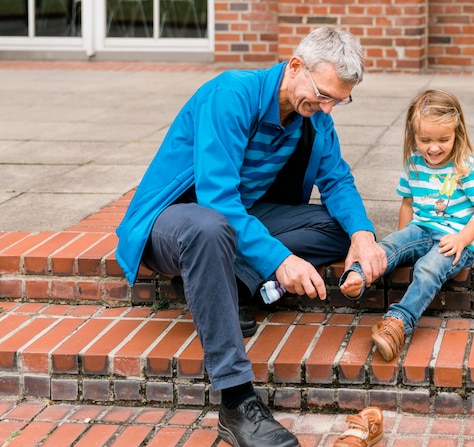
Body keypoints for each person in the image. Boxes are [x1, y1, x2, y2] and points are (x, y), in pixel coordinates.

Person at [115, 26, 386, 447]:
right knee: (210, 229)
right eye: (324, 94)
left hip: (237, 222)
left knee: (338, 228)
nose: (328, 109)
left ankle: (224, 279)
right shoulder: (232, 95)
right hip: (174, 223)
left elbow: (337, 180)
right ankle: (236, 403)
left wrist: (363, 236)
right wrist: (278, 259)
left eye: (338, 99)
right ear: (295, 67)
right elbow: (217, 200)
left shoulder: (311, 117)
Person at [339, 89, 474, 362]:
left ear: (457, 133)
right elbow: (408, 204)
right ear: (414, 136)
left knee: (427, 267)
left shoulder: (466, 164)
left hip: (456, 238)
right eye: (425, 140)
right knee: (390, 244)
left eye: (443, 140)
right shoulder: (414, 162)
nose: (433, 148)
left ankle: (397, 323)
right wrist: (403, 238)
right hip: (422, 229)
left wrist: (463, 239)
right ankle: (359, 275)